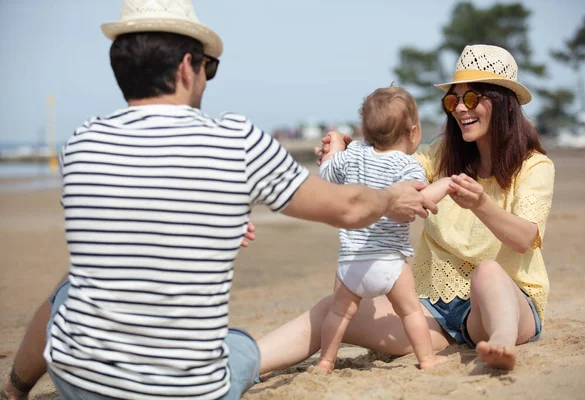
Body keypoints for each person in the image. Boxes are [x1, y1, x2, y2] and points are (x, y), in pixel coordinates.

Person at [0, 1, 439, 399]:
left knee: (70, 283)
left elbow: (125, 231)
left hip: (82, 382)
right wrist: (388, 199)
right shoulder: (235, 140)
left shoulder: (80, 144)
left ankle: (16, 389)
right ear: (188, 67)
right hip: (189, 388)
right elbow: (347, 208)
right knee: (242, 346)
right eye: (211, 65)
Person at [257, 44, 554, 374]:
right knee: (333, 308)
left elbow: (525, 238)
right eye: (453, 100)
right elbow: (392, 167)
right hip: (435, 314)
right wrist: (349, 155)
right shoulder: (442, 152)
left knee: (487, 272)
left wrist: (482, 204)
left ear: (504, 102)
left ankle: (500, 344)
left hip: (504, 309)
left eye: (471, 98)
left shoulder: (534, 166)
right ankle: (246, 360)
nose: (459, 109)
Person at [316, 86, 450, 372]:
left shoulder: (352, 156)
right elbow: (421, 200)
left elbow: (327, 174)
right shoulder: (407, 165)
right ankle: (426, 359)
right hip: (389, 260)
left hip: (352, 259)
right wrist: (447, 184)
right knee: (410, 310)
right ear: (413, 132)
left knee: (338, 313)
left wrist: (336, 145)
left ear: (364, 130)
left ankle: (326, 361)